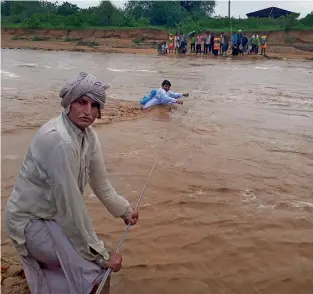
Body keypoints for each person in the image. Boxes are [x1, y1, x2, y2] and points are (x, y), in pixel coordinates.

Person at [5, 72, 139, 294]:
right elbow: (71, 206)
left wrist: (124, 210)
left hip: (53, 216)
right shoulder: (58, 140)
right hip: (30, 223)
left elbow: (101, 185)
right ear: (69, 103)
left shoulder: (89, 136)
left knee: (84, 259)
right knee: (97, 273)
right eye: (81, 102)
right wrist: (101, 255)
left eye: (94, 105)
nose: (88, 111)